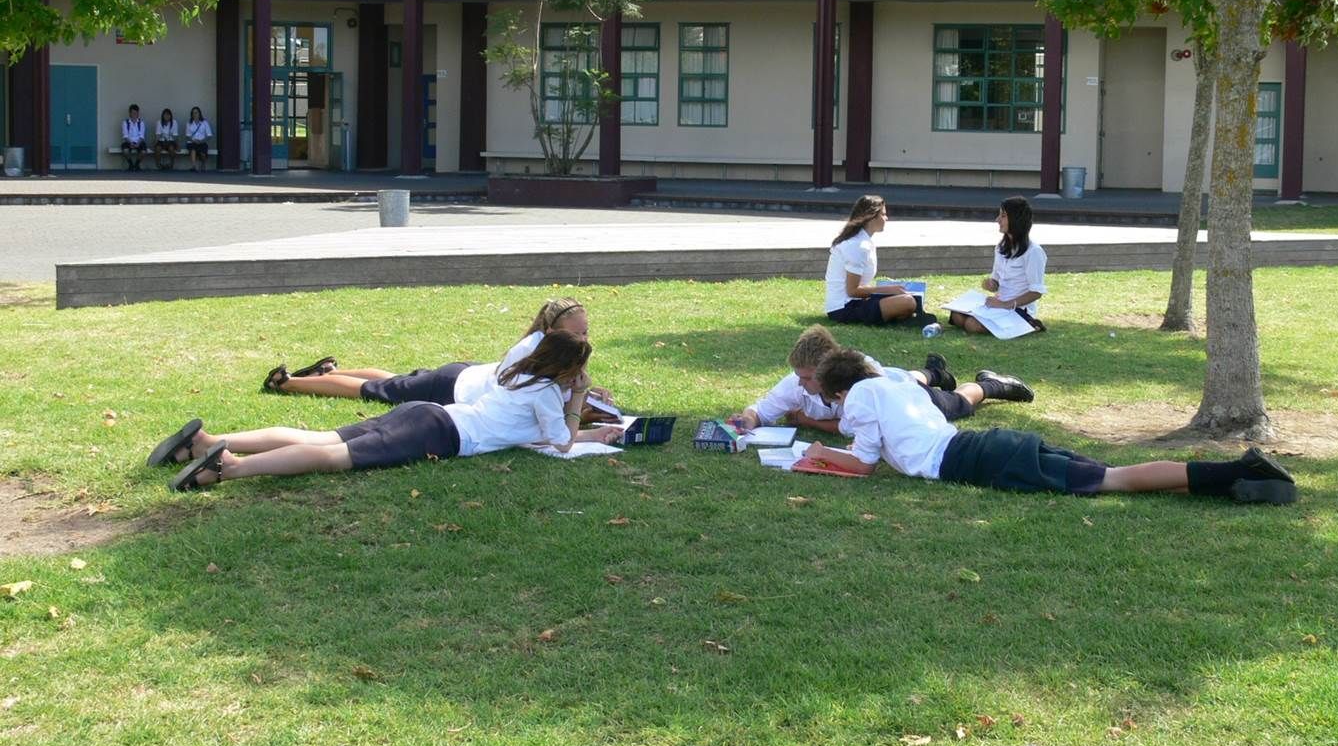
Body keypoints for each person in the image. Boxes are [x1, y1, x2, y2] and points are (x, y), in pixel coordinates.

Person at [801, 347, 1298, 503]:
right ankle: (1235, 481)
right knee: (1114, 474)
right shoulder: (893, 383)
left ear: (840, 391)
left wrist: (819, 455)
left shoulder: (860, 397)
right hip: (988, 444)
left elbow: (864, 464)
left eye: (831, 399)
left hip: (978, 459)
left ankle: (1241, 469)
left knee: (1115, 480)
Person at [149, 332, 622, 492]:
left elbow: (533, 435)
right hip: (439, 434)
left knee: (320, 439)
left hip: (429, 413)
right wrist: (578, 403)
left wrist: (591, 433)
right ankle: (229, 468)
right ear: (567, 368)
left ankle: (207, 443)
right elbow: (559, 442)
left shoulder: (519, 375)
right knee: (330, 457)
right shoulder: (548, 395)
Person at [263, 298, 613, 416]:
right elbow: (521, 399)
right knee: (373, 390)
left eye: (585, 331)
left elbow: (551, 388)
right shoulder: (529, 350)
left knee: (394, 380)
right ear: (551, 331)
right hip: (455, 389)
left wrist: (589, 394)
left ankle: (326, 371)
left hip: (464, 376)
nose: (583, 340)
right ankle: (289, 383)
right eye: (577, 333)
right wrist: (576, 404)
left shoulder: (553, 347)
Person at [729, 325, 1033, 436]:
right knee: (911, 375)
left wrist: (807, 421)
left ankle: (993, 384)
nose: (799, 384)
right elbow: (763, 408)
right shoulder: (797, 381)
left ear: (825, 372)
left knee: (960, 403)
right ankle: (936, 372)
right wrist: (745, 421)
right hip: (899, 376)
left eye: (807, 378)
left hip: (909, 395)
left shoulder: (864, 380)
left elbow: (854, 427)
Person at [825, 194, 937, 327]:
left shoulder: (863, 241)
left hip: (855, 302)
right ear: (871, 217)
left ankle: (903, 316)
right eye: (883, 214)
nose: (886, 218)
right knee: (908, 301)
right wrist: (887, 289)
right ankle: (903, 316)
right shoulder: (858, 245)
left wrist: (888, 289)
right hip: (844, 308)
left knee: (907, 298)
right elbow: (852, 291)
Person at [950, 196, 1048, 335]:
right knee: (957, 316)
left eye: (1003, 216)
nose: (997, 220)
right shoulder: (1001, 248)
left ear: (1016, 219)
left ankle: (1028, 323)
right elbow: (995, 282)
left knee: (972, 325)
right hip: (998, 304)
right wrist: (989, 284)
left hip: (1017, 309)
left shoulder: (1033, 252)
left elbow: (1036, 292)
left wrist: (1005, 305)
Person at [184, 107, 213, 172]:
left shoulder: (204, 122)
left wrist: (201, 141)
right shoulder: (189, 123)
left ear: (199, 113)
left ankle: (203, 164)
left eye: (196, 113)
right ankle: (194, 166)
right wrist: (194, 140)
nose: (195, 114)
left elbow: (209, 135)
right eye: (193, 113)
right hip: (192, 142)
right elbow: (187, 136)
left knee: (203, 153)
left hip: (202, 142)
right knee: (193, 149)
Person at [120, 104, 147, 171]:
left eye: (136, 113)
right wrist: (130, 143)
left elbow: (142, 136)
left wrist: (138, 143)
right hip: (128, 141)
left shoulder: (141, 123)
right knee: (125, 151)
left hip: (139, 142)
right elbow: (125, 136)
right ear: (130, 113)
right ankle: (131, 165)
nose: (134, 114)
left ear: (138, 113)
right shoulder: (125, 123)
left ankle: (137, 165)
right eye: (133, 113)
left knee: (143, 151)